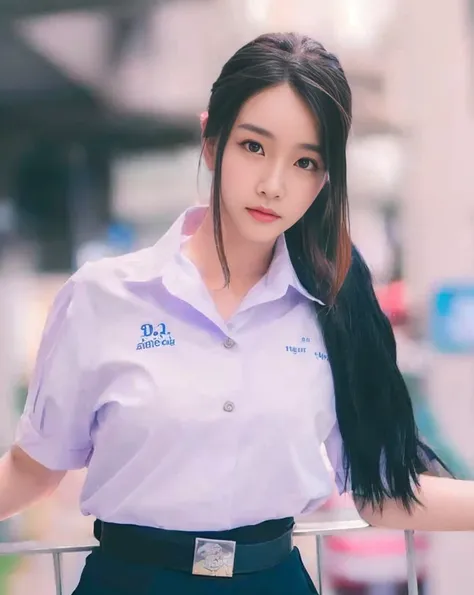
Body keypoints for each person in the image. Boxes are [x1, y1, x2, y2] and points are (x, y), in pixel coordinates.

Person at [2, 32, 472, 595]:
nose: (274, 184)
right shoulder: (102, 297)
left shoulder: (335, 306)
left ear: (324, 179)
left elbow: (384, 492)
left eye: (304, 161)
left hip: (273, 580)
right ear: (211, 140)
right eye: (254, 146)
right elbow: (34, 467)